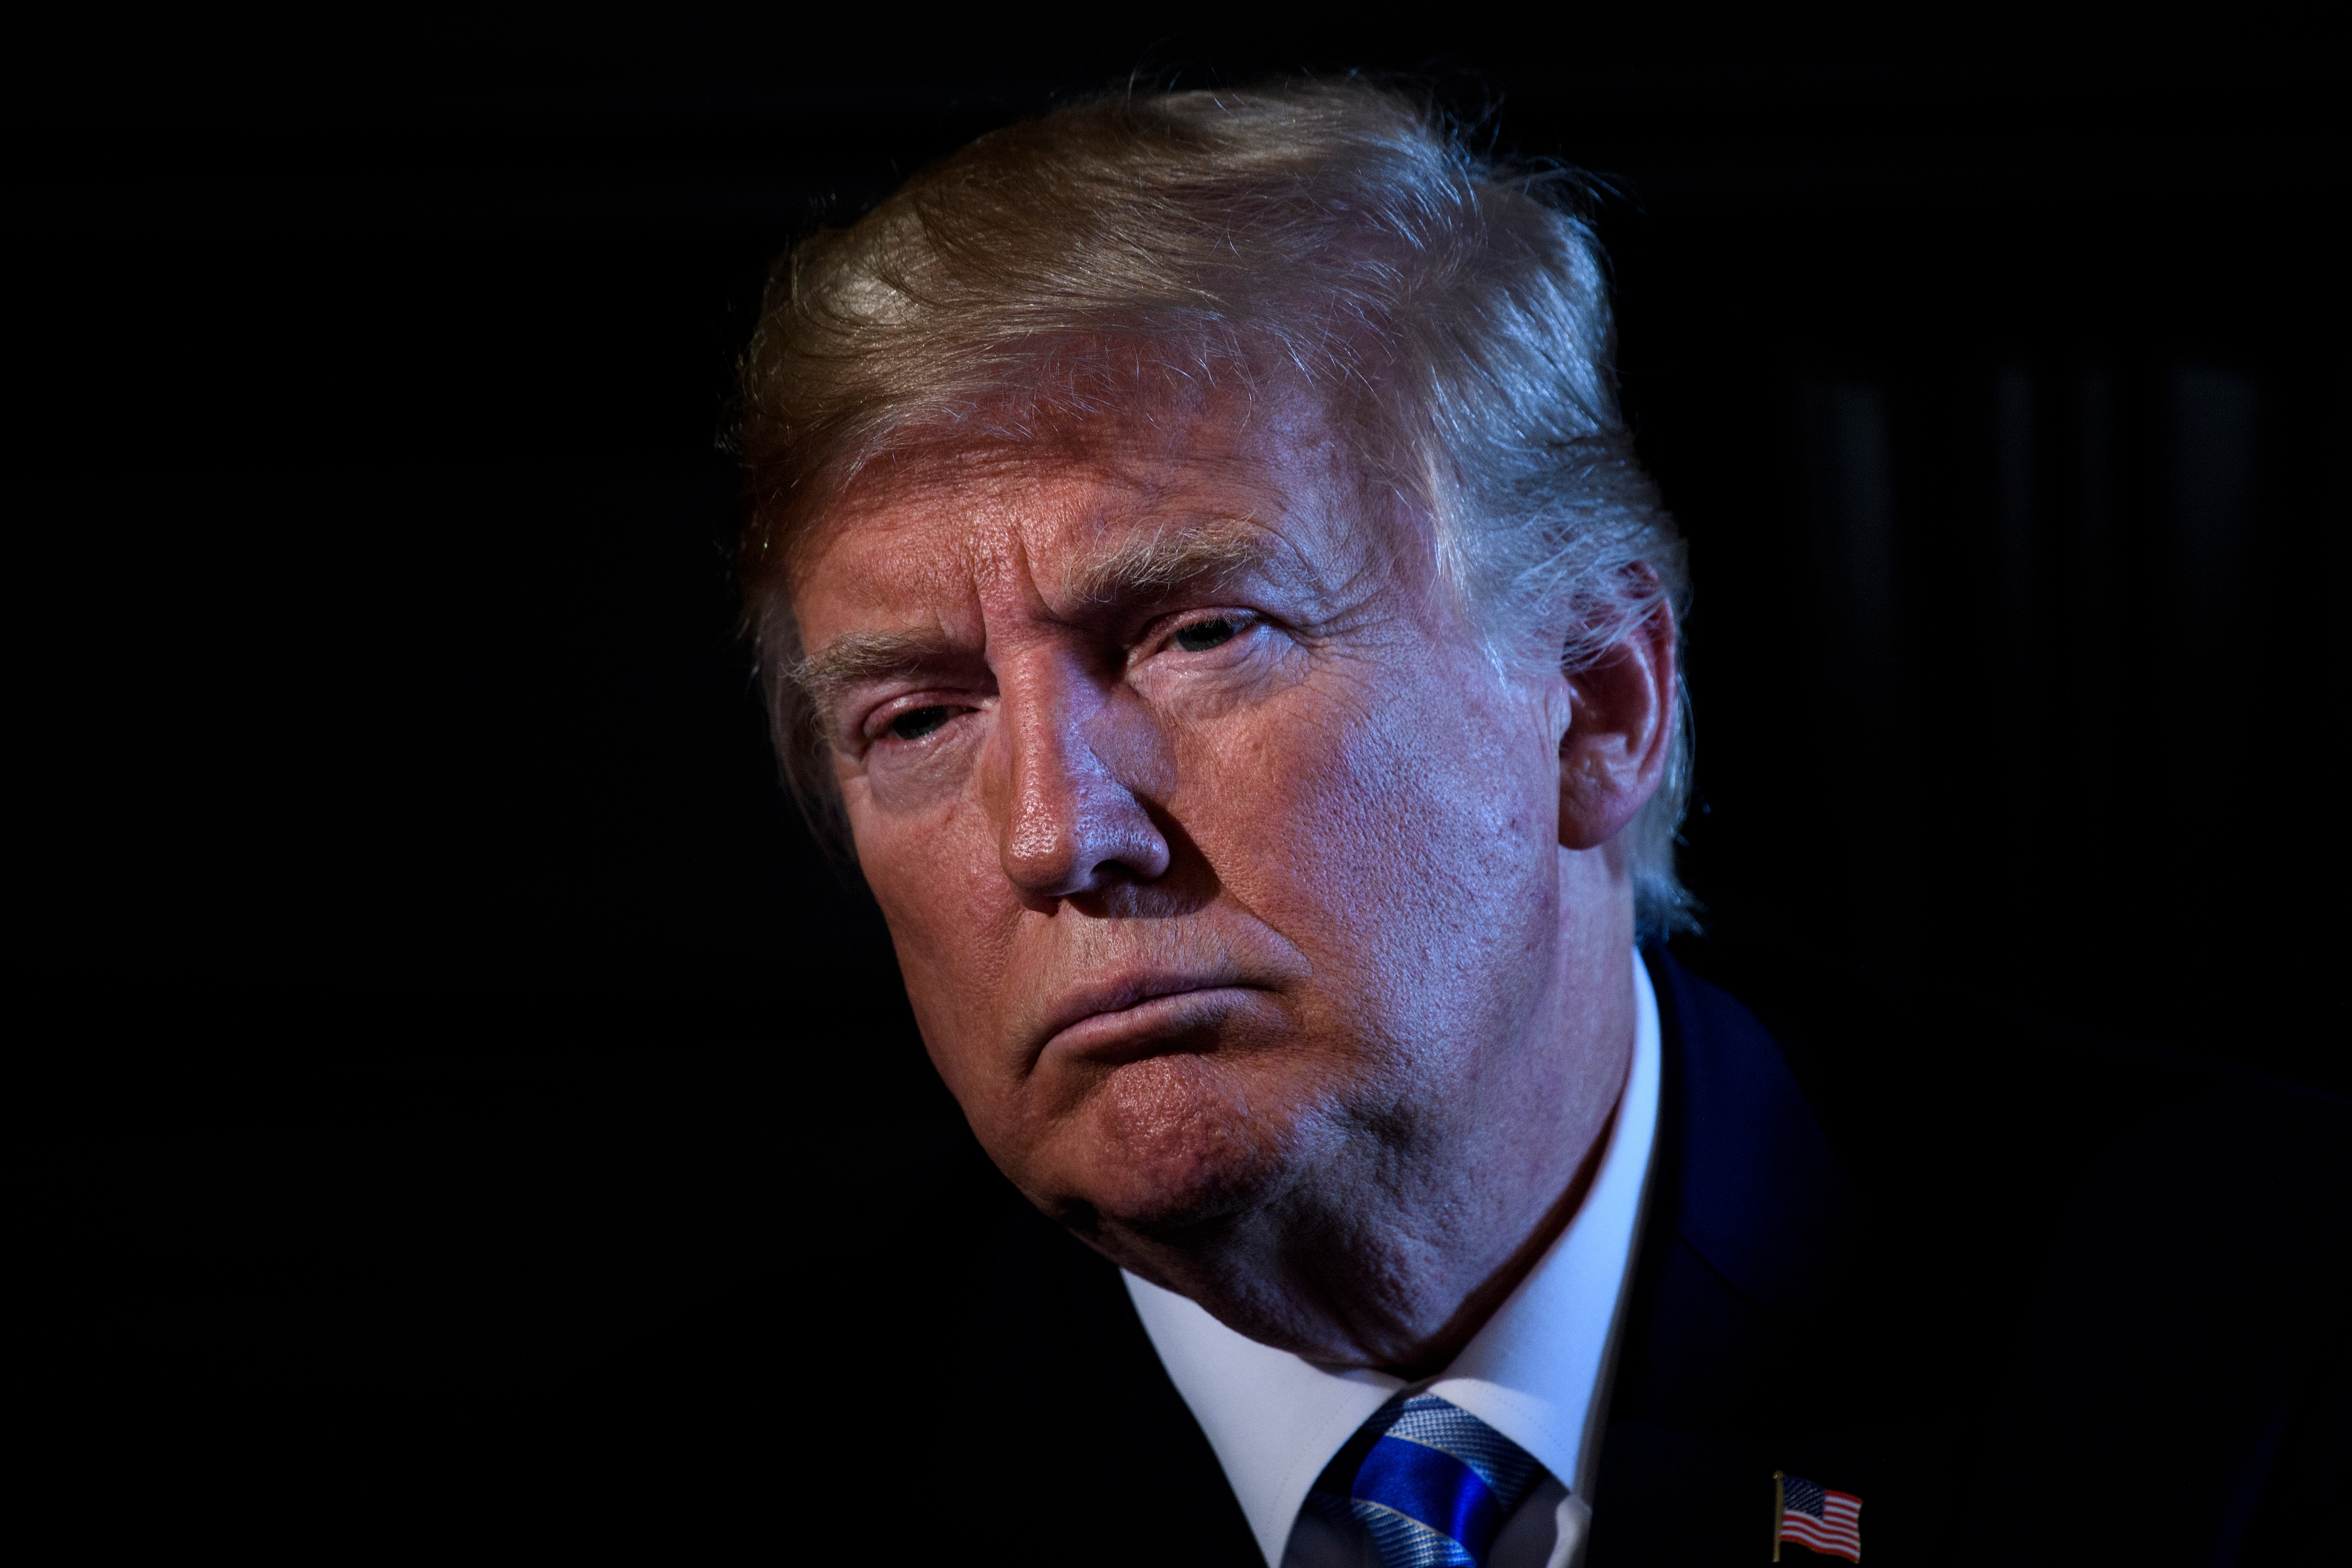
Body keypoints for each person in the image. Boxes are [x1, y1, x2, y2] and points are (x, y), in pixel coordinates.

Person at [559, 82, 2342, 1565]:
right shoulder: (706, 1493)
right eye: (919, 718)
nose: (1052, 837)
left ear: (1596, 705)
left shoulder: (2250, 1339)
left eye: (1195, 635)